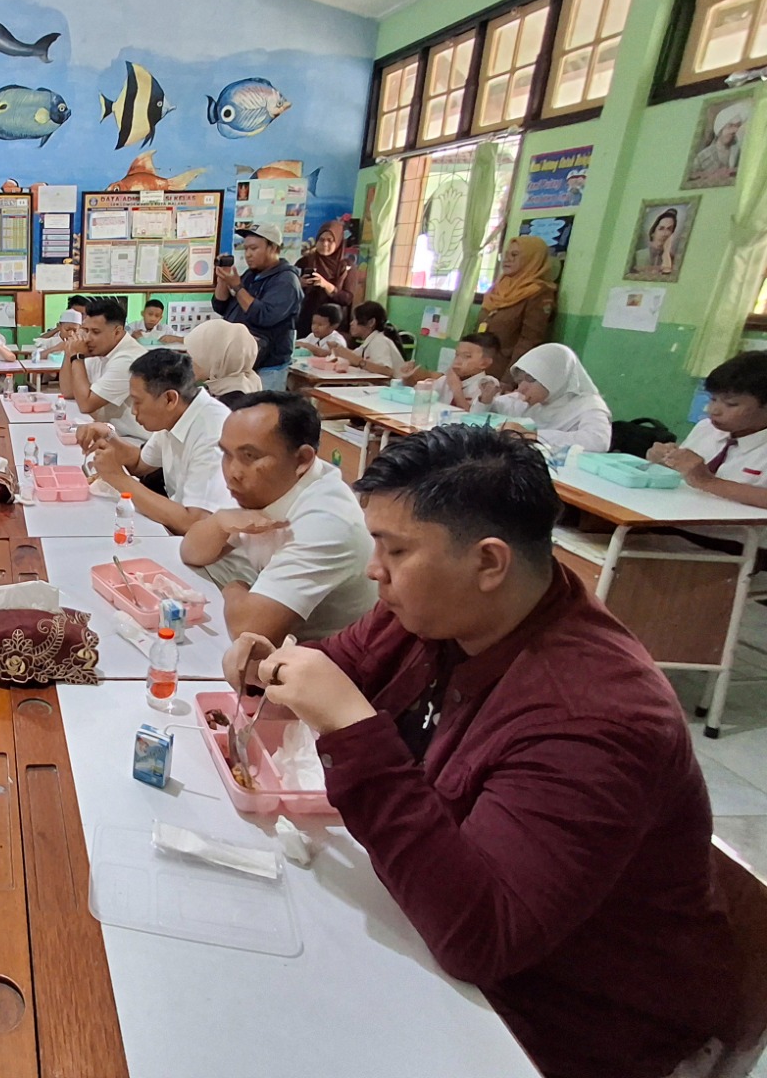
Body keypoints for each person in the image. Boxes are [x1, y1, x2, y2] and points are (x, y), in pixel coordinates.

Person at [226, 427, 738, 1078]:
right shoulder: (431, 610)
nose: (372, 569)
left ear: (489, 562)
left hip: (568, 1027)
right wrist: (270, 666)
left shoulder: (598, 717)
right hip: (428, 936)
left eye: (395, 548)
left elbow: (481, 938)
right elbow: (335, 667)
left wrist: (350, 726)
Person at [180, 392, 376, 643]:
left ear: (302, 459)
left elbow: (248, 629)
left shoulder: (327, 521)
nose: (233, 472)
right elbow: (192, 552)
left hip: (331, 665)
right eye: (226, 454)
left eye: (250, 456)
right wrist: (220, 521)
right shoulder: (268, 484)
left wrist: (234, 588)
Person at [81, 349, 233, 534]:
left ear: (169, 399)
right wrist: (110, 438)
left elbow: (194, 523)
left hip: (216, 555)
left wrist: (117, 478)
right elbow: (140, 463)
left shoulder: (213, 432)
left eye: (137, 402)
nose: (134, 411)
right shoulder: (178, 413)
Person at [650, 351, 767, 506]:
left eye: (731, 404)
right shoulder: (706, 428)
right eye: (713, 399)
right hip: (669, 516)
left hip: (725, 530)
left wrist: (706, 481)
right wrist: (666, 460)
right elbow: (683, 479)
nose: (713, 410)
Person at [212, 221, 303, 391]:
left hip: (268, 368)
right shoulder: (251, 275)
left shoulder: (286, 281)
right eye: (246, 249)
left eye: (254, 249)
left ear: (273, 248)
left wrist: (237, 286)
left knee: (262, 413)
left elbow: (263, 315)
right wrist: (223, 280)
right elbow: (221, 306)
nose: (248, 255)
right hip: (244, 364)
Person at [475, 342, 612, 452]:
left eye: (530, 379)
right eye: (520, 380)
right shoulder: (527, 399)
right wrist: (485, 400)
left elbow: (598, 441)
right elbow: (482, 417)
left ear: (554, 377)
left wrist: (532, 435)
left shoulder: (589, 405)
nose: (522, 387)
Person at [58, 297, 149, 443]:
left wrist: (77, 356)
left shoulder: (129, 359)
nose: (87, 338)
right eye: (85, 330)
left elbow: (86, 405)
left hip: (136, 441)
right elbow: (68, 392)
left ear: (117, 332)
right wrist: (70, 349)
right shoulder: (100, 349)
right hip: (110, 433)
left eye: (95, 332)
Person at [478, 236, 557, 376]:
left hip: (503, 372)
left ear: (531, 259)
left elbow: (528, 342)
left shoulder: (539, 293)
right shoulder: (499, 286)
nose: (507, 259)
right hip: (478, 366)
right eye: (506, 255)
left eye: (514, 255)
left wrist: (509, 380)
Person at [399, 331, 501, 410]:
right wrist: (408, 380)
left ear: (484, 363)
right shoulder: (446, 380)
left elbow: (474, 422)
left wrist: (457, 391)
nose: (457, 361)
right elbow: (419, 398)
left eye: (467, 356)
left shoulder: (487, 388)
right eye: (457, 355)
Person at [297, 218, 353, 329]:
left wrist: (326, 285)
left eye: (330, 240)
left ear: (338, 242)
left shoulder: (346, 266)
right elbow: (288, 289)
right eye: (321, 240)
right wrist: (299, 283)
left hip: (333, 323)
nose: (325, 244)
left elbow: (347, 299)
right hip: (306, 319)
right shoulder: (305, 261)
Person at [183, 319, 261, 398]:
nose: (187, 363)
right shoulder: (240, 385)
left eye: (192, 357)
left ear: (215, 360)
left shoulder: (231, 403)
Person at [331, 301, 404, 376]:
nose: (351, 323)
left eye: (355, 319)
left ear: (371, 322)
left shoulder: (379, 341)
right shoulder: (370, 341)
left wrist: (359, 362)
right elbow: (354, 356)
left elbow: (387, 371)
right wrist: (339, 350)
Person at [687, 102, 748, 183]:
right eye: (730, 126)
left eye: (737, 126)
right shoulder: (703, 156)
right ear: (720, 129)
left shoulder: (741, 151)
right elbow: (691, 178)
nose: (734, 131)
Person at [632, 207, 681, 278]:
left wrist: (666, 255)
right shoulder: (637, 255)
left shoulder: (674, 260)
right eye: (661, 229)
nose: (665, 234)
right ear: (653, 232)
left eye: (669, 229)